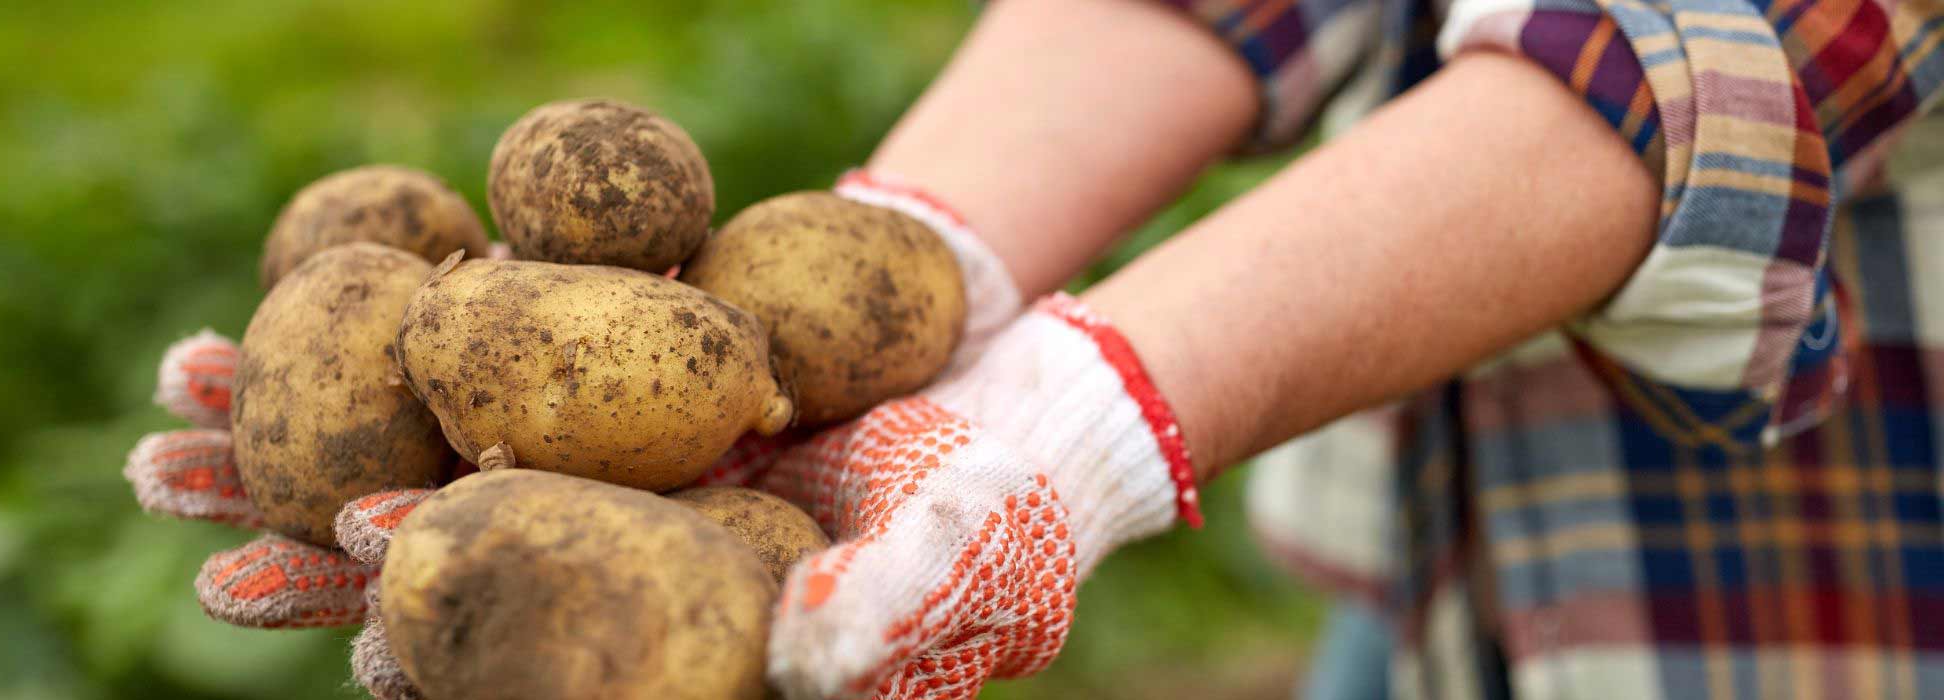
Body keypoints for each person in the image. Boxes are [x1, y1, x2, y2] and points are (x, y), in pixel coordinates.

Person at [127, 0, 1944, 697]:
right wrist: (945, 249)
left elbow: (1730, 40)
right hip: (1436, 593)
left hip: (1801, 625)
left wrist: (1081, 417)